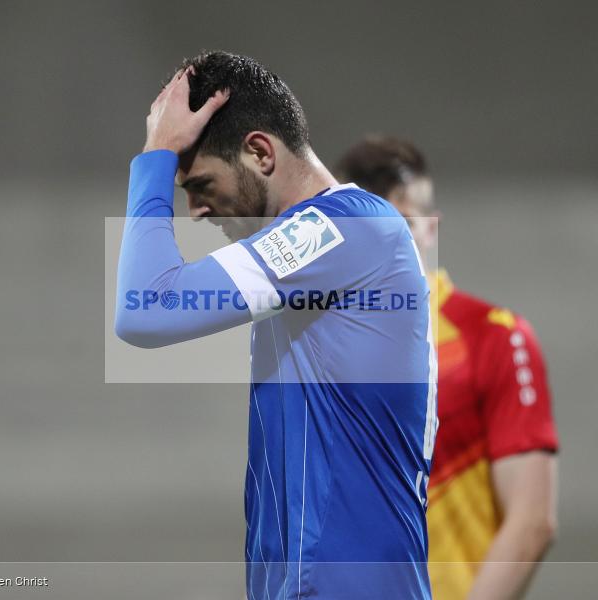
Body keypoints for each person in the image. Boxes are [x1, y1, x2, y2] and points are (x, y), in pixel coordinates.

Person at [115, 53, 437, 599]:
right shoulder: (306, 262)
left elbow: (145, 307)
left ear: (259, 153)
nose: (193, 211)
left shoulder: (347, 227)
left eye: (197, 184)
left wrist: (154, 158)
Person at [336, 136, 559, 600]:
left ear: (430, 228)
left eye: (402, 222)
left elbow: (532, 522)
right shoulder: (322, 349)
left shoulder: (493, 337)